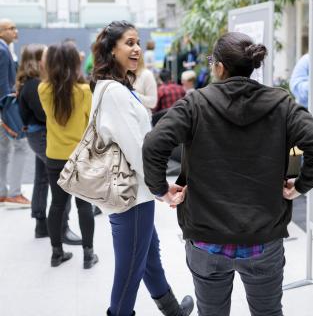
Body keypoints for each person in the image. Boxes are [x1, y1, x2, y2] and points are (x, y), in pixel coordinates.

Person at [143, 32, 313, 316]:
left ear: (219, 67)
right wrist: (302, 185)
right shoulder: (280, 104)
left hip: (206, 239)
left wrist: (161, 189)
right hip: (263, 239)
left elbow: (154, 144)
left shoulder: (196, 104)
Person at [90, 20, 194, 316]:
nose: (136, 49)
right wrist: (161, 188)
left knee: (148, 256)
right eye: (129, 43)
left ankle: (173, 310)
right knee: (128, 274)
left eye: (138, 43)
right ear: (111, 50)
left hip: (134, 193)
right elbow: (137, 149)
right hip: (132, 196)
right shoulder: (114, 92)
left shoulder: (116, 87)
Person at [38, 41, 98, 268]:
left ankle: (56, 254)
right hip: (80, 157)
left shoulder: (43, 90)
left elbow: (48, 77)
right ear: (76, 62)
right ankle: (88, 255)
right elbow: (91, 124)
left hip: (54, 156)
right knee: (84, 206)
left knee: (57, 205)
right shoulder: (83, 91)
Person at [17, 44, 81, 243]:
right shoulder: (37, 85)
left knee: (42, 179)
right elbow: (46, 116)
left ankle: (41, 224)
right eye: (45, 56)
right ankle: (62, 226)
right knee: (62, 179)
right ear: (38, 61)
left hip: (38, 136)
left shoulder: (30, 83)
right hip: (44, 137)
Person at [0, 18, 31, 207]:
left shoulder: (5, 50)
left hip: (3, 108)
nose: (15, 31)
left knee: (3, 150)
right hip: (6, 108)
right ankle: (15, 193)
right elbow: (3, 85)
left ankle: (3, 192)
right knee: (21, 145)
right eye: (11, 28)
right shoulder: (2, 51)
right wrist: (6, 113)